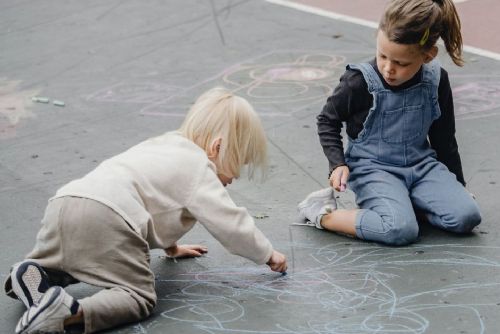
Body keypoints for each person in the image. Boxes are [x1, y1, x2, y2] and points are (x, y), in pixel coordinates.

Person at [5, 87, 288, 334]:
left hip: (66, 202)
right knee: (138, 296)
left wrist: (171, 247)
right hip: (108, 217)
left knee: (83, 260)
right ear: (216, 147)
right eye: (238, 163)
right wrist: (266, 254)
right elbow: (230, 223)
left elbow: (154, 196)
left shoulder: (164, 144)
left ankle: (36, 273)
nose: (236, 175)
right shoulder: (200, 167)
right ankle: (68, 313)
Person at [298, 0, 481, 246]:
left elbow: (444, 138)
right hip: (373, 169)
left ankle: (405, 203)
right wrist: (337, 163)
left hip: (421, 166)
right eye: (382, 55)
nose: (388, 68)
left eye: (401, 63)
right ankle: (322, 213)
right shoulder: (359, 81)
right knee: (399, 230)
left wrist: (457, 186)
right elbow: (327, 120)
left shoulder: (436, 79)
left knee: (466, 216)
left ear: (428, 56)